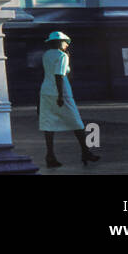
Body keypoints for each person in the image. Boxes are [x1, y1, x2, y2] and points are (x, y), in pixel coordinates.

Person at [38, 31, 99, 168]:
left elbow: (49, 73)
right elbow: (59, 75)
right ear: (60, 43)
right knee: (77, 123)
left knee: (48, 124)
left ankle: (50, 156)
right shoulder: (62, 56)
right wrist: (60, 95)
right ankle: (85, 152)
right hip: (61, 93)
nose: (67, 45)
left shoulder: (46, 55)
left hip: (46, 91)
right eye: (65, 42)